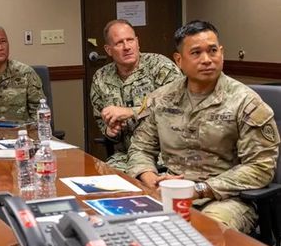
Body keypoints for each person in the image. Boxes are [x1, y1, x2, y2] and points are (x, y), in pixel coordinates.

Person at [127, 20, 280, 233]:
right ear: (179, 60)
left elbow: (260, 167)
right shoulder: (161, 99)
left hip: (228, 199)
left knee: (202, 234)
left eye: (213, 51)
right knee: (127, 226)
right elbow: (140, 148)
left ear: (222, 53)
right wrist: (149, 177)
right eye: (196, 53)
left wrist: (201, 189)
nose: (207, 59)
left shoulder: (246, 102)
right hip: (170, 192)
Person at [90, 19, 182, 171]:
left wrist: (131, 112)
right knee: (104, 175)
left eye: (130, 40)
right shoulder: (101, 78)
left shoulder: (160, 66)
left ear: (137, 42)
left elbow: (177, 107)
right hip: (125, 157)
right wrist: (110, 131)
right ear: (108, 50)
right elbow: (102, 122)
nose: (127, 47)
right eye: (119, 43)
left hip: (164, 156)